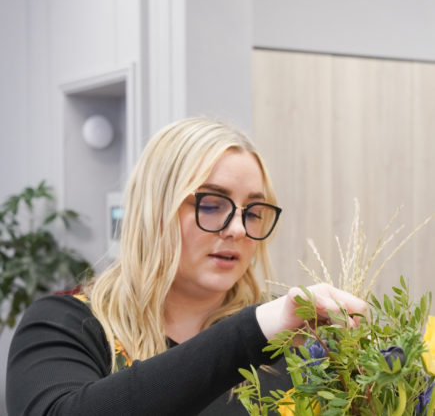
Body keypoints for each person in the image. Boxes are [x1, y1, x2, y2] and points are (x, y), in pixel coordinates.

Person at [6, 117, 367, 415]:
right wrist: (253, 330)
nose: (239, 229)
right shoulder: (68, 324)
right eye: (211, 205)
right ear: (155, 210)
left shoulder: (297, 339)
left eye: (253, 212)